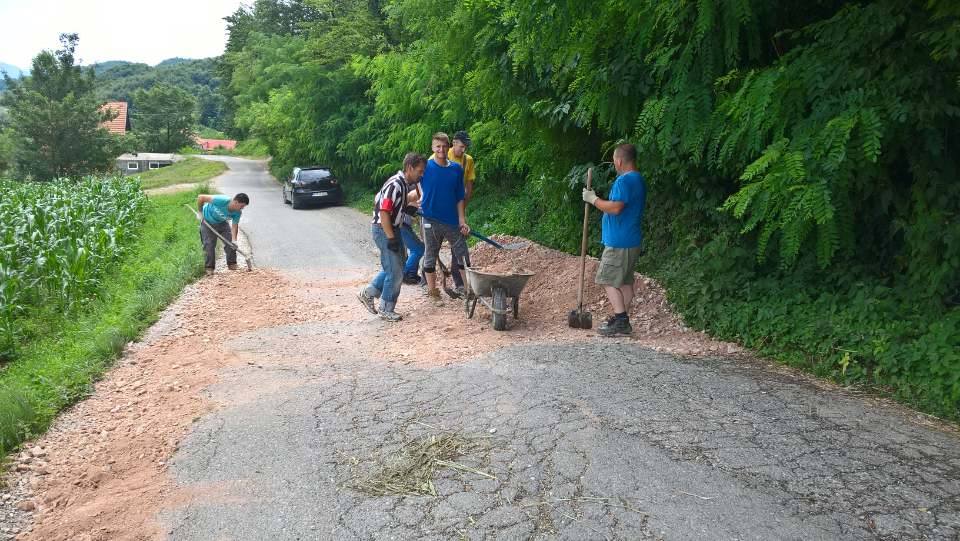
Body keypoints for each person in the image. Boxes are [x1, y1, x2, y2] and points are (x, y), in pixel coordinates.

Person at [581, 143, 647, 336]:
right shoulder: (639, 179)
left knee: (607, 279)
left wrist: (593, 199)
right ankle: (621, 318)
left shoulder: (624, 181)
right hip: (631, 240)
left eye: (614, 161)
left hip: (619, 242)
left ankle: (621, 320)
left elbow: (616, 207)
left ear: (619, 161)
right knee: (625, 283)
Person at [358, 152, 427, 321]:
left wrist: (407, 209)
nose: (421, 174)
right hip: (384, 229)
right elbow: (384, 211)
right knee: (396, 271)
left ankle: (369, 293)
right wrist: (390, 237)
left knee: (396, 265)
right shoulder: (396, 184)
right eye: (420, 171)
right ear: (409, 168)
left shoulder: (404, 184)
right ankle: (386, 308)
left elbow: (395, 207)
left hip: (391, 228)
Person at [420, 132, 470, 305]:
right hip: (430, 219)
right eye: (437, 147)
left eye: (443, 146)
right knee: (430, 255)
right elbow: (412, 181)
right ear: (432, 148)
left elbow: (459, 197)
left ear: (449, 147)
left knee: (462, 254)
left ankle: (468, 290)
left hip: (451, 221)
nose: (440, 150)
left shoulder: (456, 169)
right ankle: (433, 293)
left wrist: (462, 220)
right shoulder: (425, 167)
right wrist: (418, 200)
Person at [196, 193, 249, 275]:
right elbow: (201, 197)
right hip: (207, 222)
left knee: (230, 243)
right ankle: (209, 268)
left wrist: (234, 240)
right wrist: (200, 212)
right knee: (209, 245)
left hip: (222, 223)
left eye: (243, 207)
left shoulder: (237, 213)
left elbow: (234, 226)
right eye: (241, 206)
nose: (242, 208)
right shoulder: (221, 200)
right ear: (235, 202)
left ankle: (232, 263)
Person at [400, 184, 425, 285]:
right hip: (401, 226)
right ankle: (404, 273)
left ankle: (411, 274)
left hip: (404, 226)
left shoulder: (410, 199)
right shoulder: (412, 198)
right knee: (418, 249)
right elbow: (422, 209)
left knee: (415, 248)